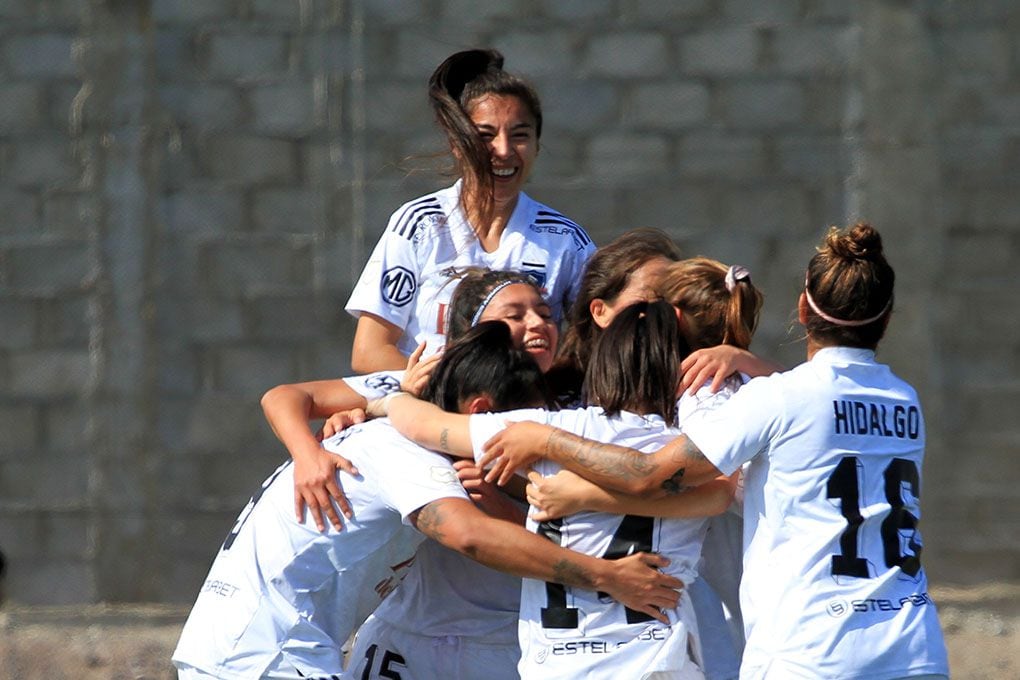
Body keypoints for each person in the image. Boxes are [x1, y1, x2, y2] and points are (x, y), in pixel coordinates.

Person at [482, 224, 950, 679]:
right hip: (912, 643)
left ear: (802, 309)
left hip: (813, 648)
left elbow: (653, 474)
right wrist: (747, 361)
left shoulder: (747, 399)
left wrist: (550, 451)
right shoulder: (904, 400)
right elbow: (817, 399)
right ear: (887, 318)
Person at [172, 322, 680, 680]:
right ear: (482, 413)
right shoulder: (410, 452)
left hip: (241, 646)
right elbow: (468, 535)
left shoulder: (390, 426)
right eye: (523, 431)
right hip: (268, 657)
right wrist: (605, 575)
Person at [370, 301, 739, 679]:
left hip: (559, 665)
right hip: (655, 662)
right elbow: (722, 492)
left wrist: (392, 397)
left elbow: (424, 425)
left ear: (602, 365)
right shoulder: (694, 454)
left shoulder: (543, 427)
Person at [345, 48, 595, 373]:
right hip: (428, 411)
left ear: (536, 144)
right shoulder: (419, 224)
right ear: (456, 142)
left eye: (520, 136)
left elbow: (602, 342)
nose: (504, 151)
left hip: (524, 415)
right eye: (485, 136)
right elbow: (369, 352)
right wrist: (452, 392)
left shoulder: (566, 241)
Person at [545, 227, 683, 404]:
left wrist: (729, 356)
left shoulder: (704, 375)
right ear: (600, 311)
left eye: (675, 301)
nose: (667, 313)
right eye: (647, 301)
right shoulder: (558, 399)